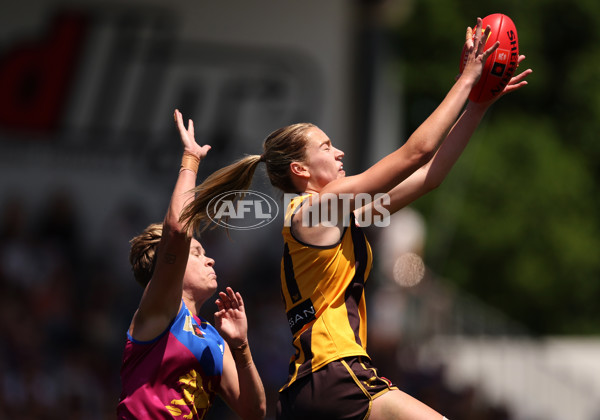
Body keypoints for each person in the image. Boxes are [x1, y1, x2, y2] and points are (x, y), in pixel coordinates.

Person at [180, 18, 532, 420]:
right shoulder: (320, 207)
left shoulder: (331, 216)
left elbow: (428, 177)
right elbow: (414, 154)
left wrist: (477, 107)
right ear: (300, 170)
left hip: (308, 390)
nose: (339, 153)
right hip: (337, 374)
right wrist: (468, 79)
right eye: (327, 147)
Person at [117, 110, 267, 420]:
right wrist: (190, 159)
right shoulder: (160, 310)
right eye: (196, 253)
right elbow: (177, 231)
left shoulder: (211, 336)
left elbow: (255, 412)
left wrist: (241, 347)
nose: (209, 258)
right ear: (168, 266)